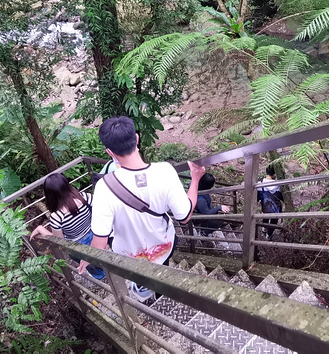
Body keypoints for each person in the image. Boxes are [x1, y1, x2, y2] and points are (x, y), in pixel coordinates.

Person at [77, 116, 204, 303]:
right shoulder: (165, 171)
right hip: (163, 246)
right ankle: (161, 292)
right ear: (136, 138)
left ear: (109, 152)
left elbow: (100, 243)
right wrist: (195, 179)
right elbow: (184, 216)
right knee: (163, 269)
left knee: (139, 275)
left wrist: (86, 257)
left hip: (130, 256)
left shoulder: (104, 187)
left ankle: (145, 287)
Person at [29, 172, 106, 280]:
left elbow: (59, 241)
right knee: (104, 259)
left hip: (77, 248)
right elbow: (101, 212)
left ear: (49, 195)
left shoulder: (57, 217)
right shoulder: (85, 197)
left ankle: (101, 276)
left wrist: (40, 228)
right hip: (96, 236)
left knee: (95, 269)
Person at [257, 165, 284, 241]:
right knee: (274, 220)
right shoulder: (279, 185)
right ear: (274, 174)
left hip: (265, 205)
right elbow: (282, 197)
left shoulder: (259, 184)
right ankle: (269, 235)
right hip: (276, 207)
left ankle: (264, 228)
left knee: (265, 215)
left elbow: (258, 197)